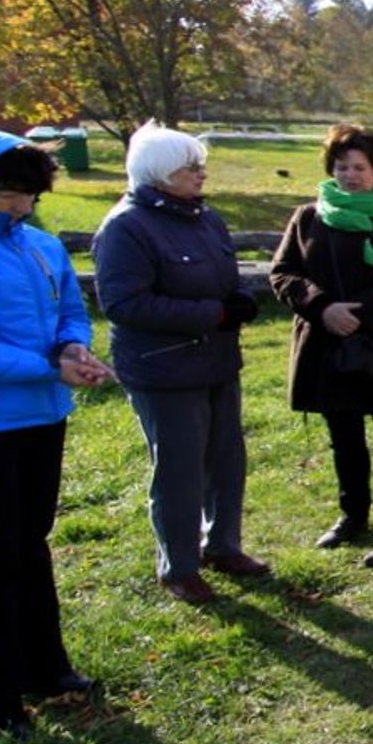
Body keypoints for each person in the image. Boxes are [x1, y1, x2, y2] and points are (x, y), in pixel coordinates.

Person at [0, 129, 113, 736]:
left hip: (39, 416)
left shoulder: (37, 244)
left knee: (30, 542)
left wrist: (72, 345)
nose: (21, 206)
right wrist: (42, 365)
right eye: (8, 193)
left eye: (29, 194)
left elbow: (67, 307)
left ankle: (45, 667)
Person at [94, 123, 266, 604]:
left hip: (216, 361)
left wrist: (237, 300)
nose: (199, 172)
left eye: (199, 163)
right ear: (156, 174)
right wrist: (214, 313)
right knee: (179, 470)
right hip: (164, 369)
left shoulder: (205, 219)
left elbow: (219, 278)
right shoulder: (126, 227)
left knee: (227, 459)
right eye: (188, 166)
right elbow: (126, 304)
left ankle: (224, 546)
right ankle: (180, 566)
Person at [270, 125, 373, 567]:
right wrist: (322, 307)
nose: (350, 175)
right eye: (342, 167)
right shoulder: (309, 217)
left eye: (359, 167)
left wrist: (362, 314)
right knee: (344, 437)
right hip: (328, 346)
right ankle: (353, 516)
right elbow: (283, 273)